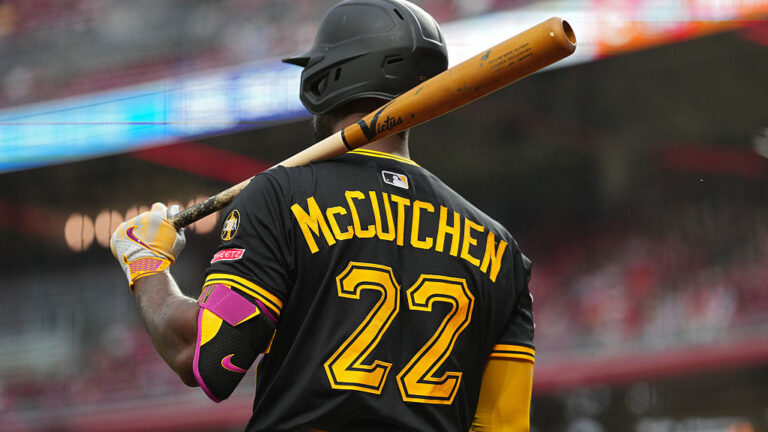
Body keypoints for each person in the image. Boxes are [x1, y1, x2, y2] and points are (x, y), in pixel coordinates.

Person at [110, 0, 535, 430]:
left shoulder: (281, 194)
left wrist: (146, 264)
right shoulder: (500, 247)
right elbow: (505, 424)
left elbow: (206, 356)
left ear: (322, 81)